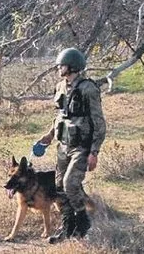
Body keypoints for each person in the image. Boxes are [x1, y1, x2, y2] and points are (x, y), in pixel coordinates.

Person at [36, 47, 106, 243]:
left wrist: (94, 151)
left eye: (62, 64)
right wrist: (50, 135)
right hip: (63, 144)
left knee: (70, 184)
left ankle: (83, 223)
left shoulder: (88, 88)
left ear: (72, 66)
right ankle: (68, 227)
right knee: (59, 186)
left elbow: (99, 122)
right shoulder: (60, 87)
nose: (59, 67)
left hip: (81, 147)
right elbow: (61, 115)